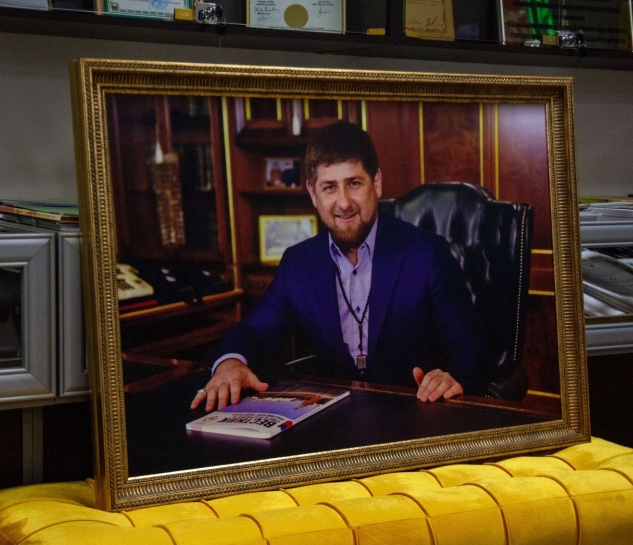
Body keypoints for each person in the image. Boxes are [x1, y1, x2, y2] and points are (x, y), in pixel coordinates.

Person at [192, 122, 486, 412]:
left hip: (414, 413)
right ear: (313, 194)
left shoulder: (427, 254)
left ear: (376, 183)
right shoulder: (298, 263)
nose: (343, 203)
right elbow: (256, 331)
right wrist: (231, 363)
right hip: (334, 418)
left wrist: (451, 378)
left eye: (354, 183)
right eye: (329, 187)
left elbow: (471, 347)